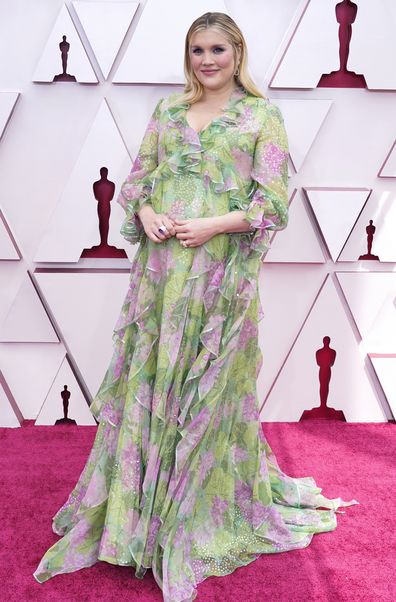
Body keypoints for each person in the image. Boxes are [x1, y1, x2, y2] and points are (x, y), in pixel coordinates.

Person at [33, 12, 359, 602]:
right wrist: (148, 215)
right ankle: (136, 521)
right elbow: (135, 185)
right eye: (197, 50)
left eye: (217, 49)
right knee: (153, 382)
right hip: (161, 276)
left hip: (220, 276)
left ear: (238, 51)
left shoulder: (263, 116)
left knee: (209, 390)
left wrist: (212, 225)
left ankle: (188, 519)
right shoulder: (167, 112)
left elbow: (271, 204)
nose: (207, 60)